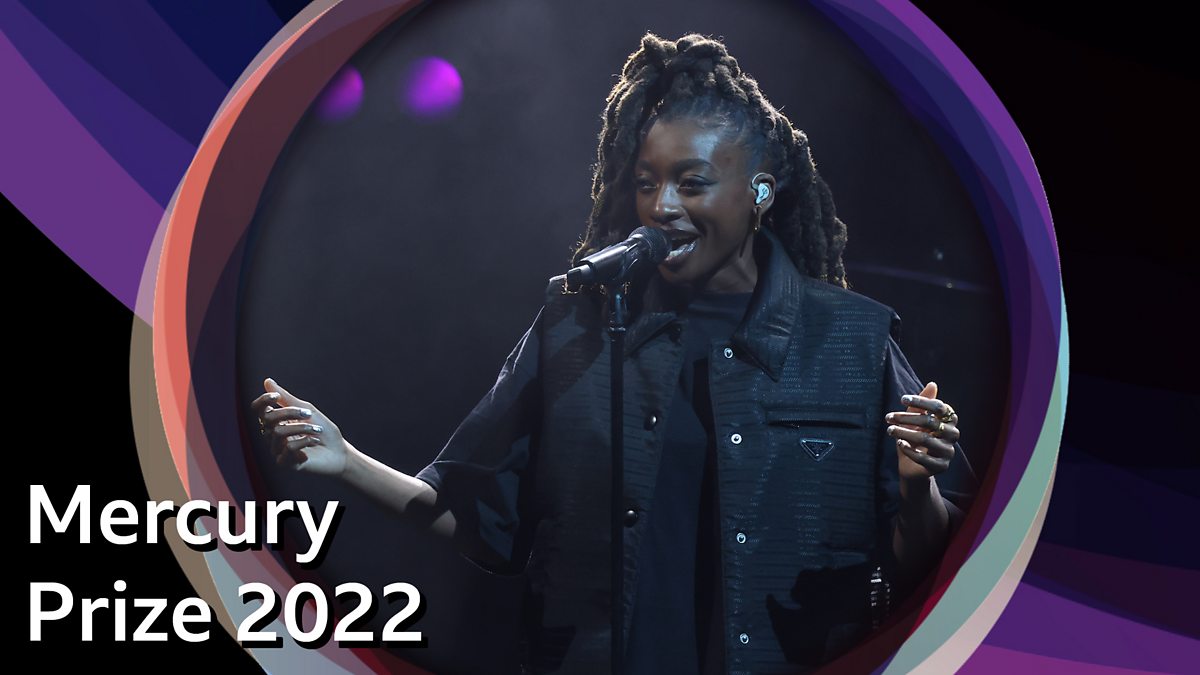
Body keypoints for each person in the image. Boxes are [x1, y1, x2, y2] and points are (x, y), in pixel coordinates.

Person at [251, 32, 975, 675]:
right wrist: (346, 461)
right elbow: (474, 513)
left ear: (759, 192)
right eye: (647, 182)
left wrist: (917, 490)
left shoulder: (852, 340)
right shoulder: (577, 325)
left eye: (692, 183)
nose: (662, 206)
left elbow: (938, 560)